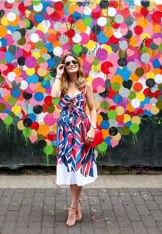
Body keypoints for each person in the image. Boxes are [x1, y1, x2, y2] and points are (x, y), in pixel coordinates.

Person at [51, 53, 98, 227]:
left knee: (78, 168)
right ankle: (77, 203)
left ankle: (72, 207)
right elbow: (54, 95)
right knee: (71, 169)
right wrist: (58, 74)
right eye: (67, 63)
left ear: (78, 64)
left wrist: (93, 128)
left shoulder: (86, 86)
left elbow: (93, 109)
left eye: (74, 61)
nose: (71, 64)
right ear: (64, 66)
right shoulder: (62, 86)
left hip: (81, 131)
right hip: (64, 132)